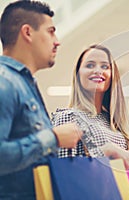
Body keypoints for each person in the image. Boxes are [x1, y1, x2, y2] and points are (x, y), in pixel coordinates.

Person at [0, 1, 83, 199]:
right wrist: (52, 138)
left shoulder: (25, 84)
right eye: (51, 32)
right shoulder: (5, 81)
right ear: (27, 32)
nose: (57, 41)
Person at [51, 44, 129, 170]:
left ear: (112, 76)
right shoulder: (68, 117)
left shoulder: (114, 125)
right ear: (78, 75)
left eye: (104, 66)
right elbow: (65, 172)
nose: (98, 70)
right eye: (90, 65)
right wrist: (107, 151)